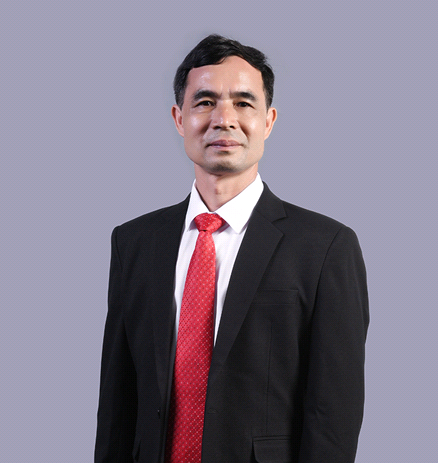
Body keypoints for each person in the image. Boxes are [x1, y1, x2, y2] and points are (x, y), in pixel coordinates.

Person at [95, 34, 369, 463]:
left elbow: (334, 414)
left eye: (243, 103)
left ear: (269, 121)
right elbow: (117, 402)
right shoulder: (134, 243)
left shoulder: (325, 248)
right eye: (205, 102)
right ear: (179, 118)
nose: (224, 119)